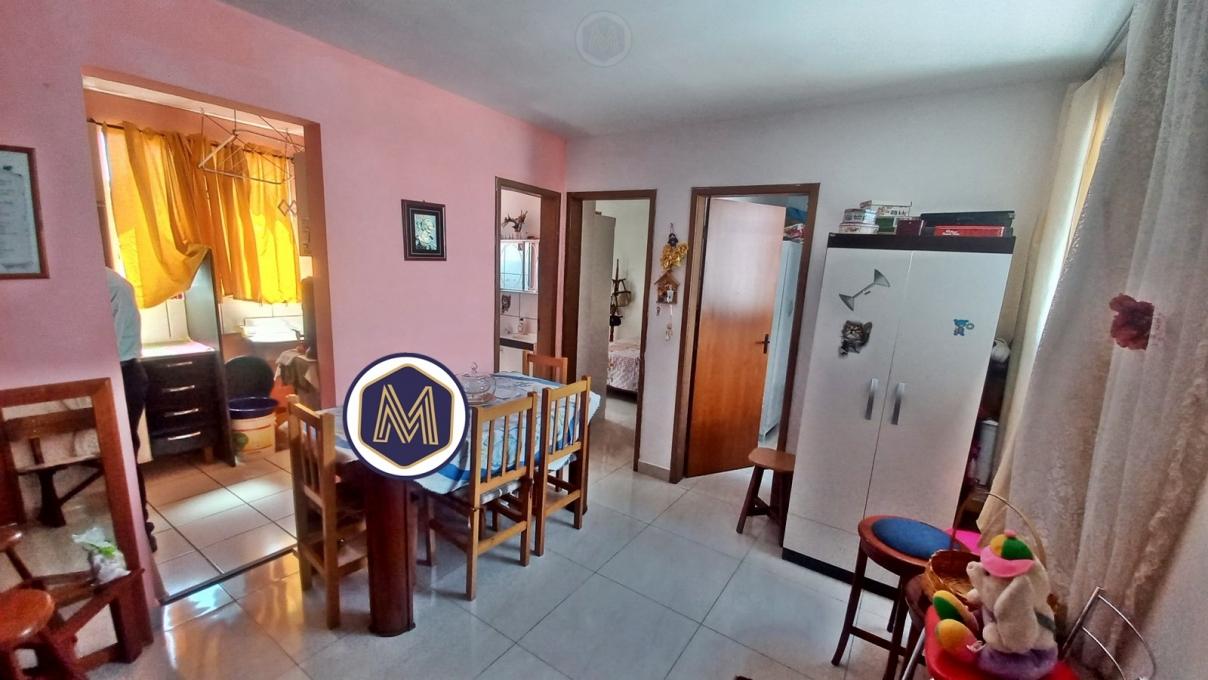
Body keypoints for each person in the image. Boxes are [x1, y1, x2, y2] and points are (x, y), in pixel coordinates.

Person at [107, 268, 156, 551]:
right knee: (127, 451)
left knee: (125, 452)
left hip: (123, 375)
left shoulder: (109, 285)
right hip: (126, 372)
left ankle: (140, 528)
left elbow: (107, 344)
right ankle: (139, 527)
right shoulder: (113, 283)